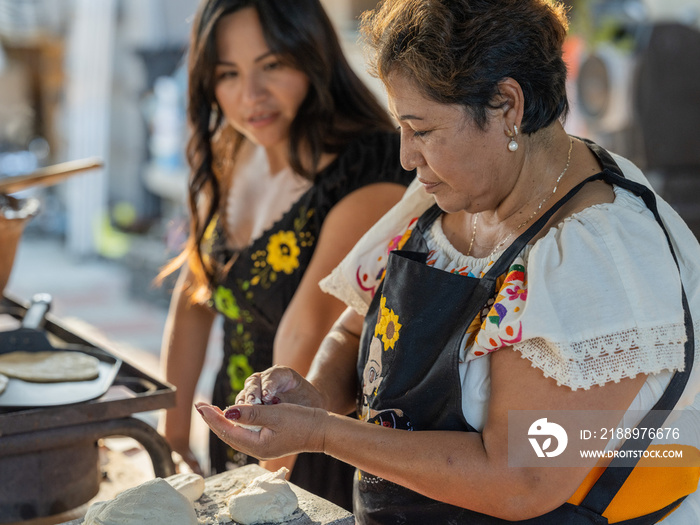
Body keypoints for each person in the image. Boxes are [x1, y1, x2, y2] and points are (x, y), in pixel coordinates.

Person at [195, 0, 700, 522]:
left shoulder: (596, 255)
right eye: (401, 127)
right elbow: (358, 332)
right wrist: (315, 396)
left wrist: (325, 434)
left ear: (507, 105)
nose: (405, 157)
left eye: (422, 130)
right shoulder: (450, 193)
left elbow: (521, 480)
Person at [158, 0, 414, 511]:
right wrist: (173, 447)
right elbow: (193, 302)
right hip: (237, 434)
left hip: (310, 456)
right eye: (228, 74)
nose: (250, 96)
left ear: (313, 55)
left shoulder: (371, 168)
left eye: (272, 65)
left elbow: (308, 328)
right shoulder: (233, 151)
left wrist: (258, 493)